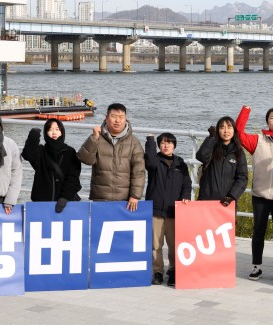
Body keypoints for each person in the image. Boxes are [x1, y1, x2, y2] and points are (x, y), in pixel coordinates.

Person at [236, 105, 273, 281]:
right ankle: (256, 266)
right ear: (267, 121)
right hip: (260, 194)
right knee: (258, 231)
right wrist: (246, 110)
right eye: (271, 117)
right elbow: (238, 133)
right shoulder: (257, 140)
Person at [77, 103, 145, 211]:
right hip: (100, 197)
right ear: (106, 118)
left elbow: (139, 171)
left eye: (121, 117)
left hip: (125, 200)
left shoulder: (134, 142)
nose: (117, 120)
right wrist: (94, 138)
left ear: (125, 119)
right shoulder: (97, 137)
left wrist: (135, 196)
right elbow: (85, 159)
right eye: (113, 116)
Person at [145, 132, 191, 287]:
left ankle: (173, 271)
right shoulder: (154, 161)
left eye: (169, 143)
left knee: (174, 245)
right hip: (156, 210)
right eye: (163, 143)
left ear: (174, 146)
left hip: (173, 211)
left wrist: (185, 196)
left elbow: (187, 183)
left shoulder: (180, 164)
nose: (166, 146)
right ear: (159, 145)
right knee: (156, 245)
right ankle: (157, 272)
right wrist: (150, 141)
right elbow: (149, 161)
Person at [21, 118, 82, 212]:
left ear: (62, 132)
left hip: (66, 203)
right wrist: (33, 136)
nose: (54, 132)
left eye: (57, 129)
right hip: (42, 203)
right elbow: (28, 154)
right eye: (50, 130)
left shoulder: (70, 152)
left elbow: (73, 178)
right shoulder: (41, 151)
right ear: (46, 133)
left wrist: (65, 197)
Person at [196, 117, 248, 206]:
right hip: (206, 199)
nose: (226, 131)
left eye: (229, 127)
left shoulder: (238, 152)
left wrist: (231, 196)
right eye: (222, 127)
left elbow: (242, 177)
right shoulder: (212, 146)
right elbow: (201, 156)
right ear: (218, 130)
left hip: (227, 202)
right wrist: (211, 137)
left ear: (234, 130)